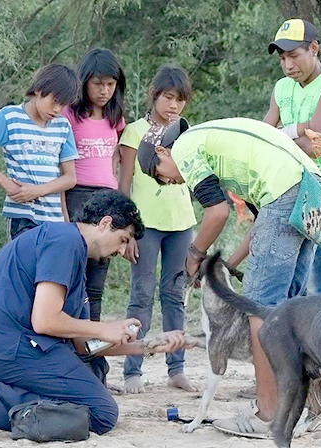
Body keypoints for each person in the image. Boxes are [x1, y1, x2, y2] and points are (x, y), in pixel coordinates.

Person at [137, 117, 321, 438]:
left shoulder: (185, 148)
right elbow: (262, 224)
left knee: (258, 309)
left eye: (161, 177)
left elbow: (217, 213)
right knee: (288, 309)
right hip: (312, 188)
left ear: (161, 151)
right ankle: (300, 405)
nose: (172, 184)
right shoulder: (222, 147)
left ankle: (268, 414)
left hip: (286, 192)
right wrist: (223, 265)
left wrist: (194, 256)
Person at [0, 190, 194, 437]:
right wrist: (104, 328)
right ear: (105, 223)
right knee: (102, 413)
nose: (123, 251)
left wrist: (151, 346)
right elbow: (45, 320)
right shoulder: (64, 241)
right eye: (124, 239)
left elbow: (83, 345)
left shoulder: (76, 254)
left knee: (94, 370)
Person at [262, 18, 321, 298]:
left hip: (318, 199)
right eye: (282, 58)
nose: (287, 65)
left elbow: (316, 146)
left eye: (293, 55)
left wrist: (281, 133)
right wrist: (297, 132)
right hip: (283, 194)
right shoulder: (281, 88)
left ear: (314, 48)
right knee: (288, 292)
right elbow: (262, 136)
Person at [117, 65, 198, 394]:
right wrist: (126, 231)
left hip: (182, 224)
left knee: (174, 296)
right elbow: (123, 185)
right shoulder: (135, 131)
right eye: (168, 97)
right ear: (154, 96)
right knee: (141, 296)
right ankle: (132, 369)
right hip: (145, 226)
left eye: (180, 100)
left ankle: (176, 368)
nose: (173, 106)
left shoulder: (185, 132)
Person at [0, 64, 80, 240]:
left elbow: (70, 178)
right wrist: (4, 182)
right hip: (22, 216)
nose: (57, 109)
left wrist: (39, 191)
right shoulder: (10, 117)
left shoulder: (63, 126)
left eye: (63, 105)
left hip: (54, 219)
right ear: (39, 90)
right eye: (54, 101)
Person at [62, 48, 126, 321]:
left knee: (98, 278)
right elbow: (61, 164)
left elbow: (119, 158)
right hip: (78, 196)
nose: (104, 90)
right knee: (75, 274)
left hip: (108, 198)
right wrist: (64, 211)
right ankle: (72, 341)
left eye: (111, 84)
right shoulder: (68, 115)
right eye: (98, 84)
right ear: (84, 82)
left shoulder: (116, 118)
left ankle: (93, 347)